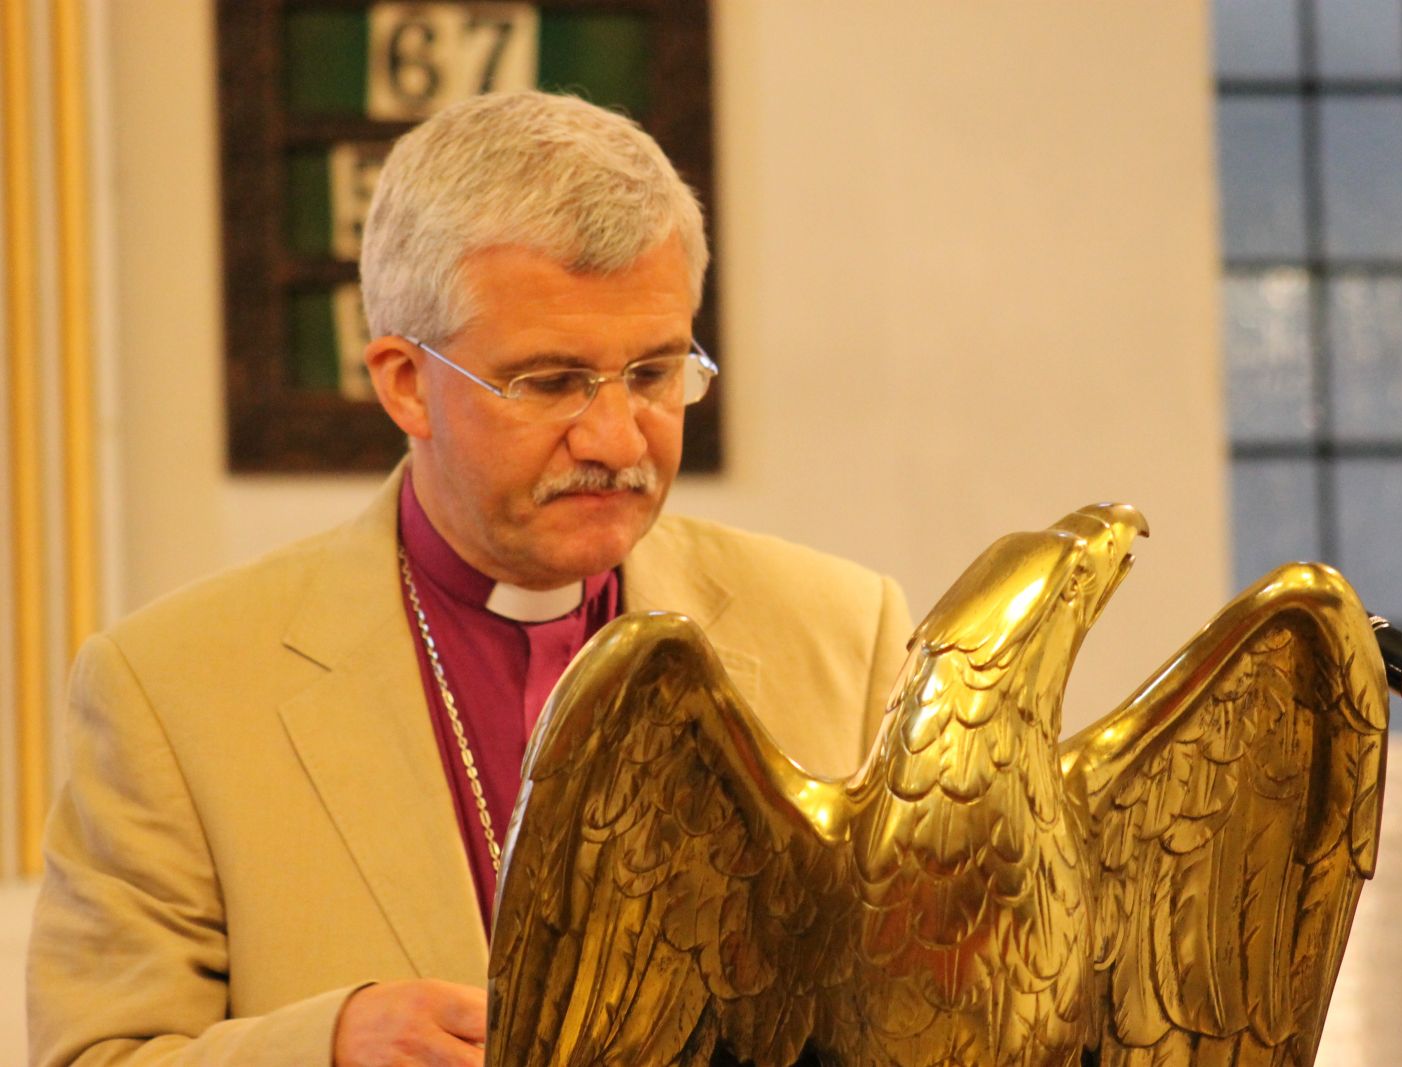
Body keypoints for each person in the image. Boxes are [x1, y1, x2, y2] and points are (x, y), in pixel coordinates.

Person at [28, 91, 912, 1067]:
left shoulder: (843, 632)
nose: (616, 438)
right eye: (549, 381)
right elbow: (93, 1053)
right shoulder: (172, 687)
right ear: (406, 380)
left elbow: (935, 1010)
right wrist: (325, 1045)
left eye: (655, 373)